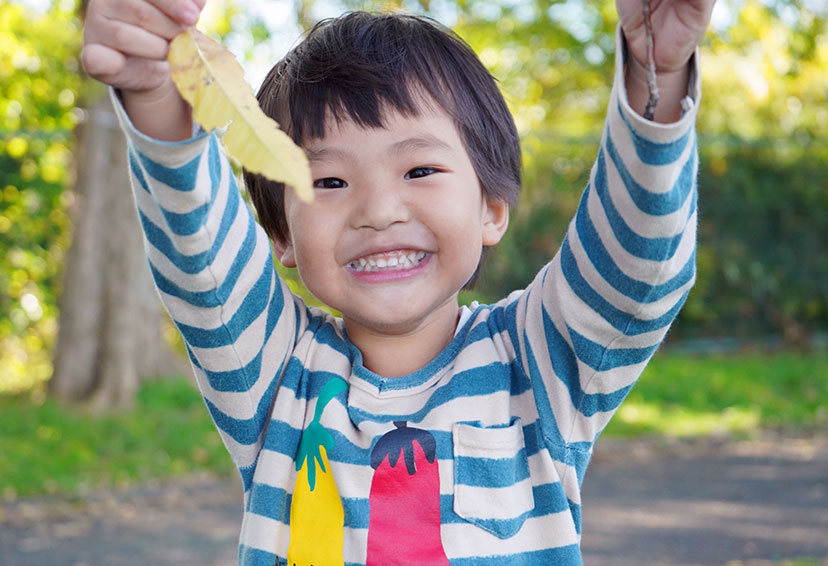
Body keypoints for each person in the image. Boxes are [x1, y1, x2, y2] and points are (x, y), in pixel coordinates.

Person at [81, 0, 713, 563]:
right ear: (282, 235)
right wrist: (156, 89)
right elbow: (201, 254)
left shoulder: (537, 361)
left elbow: (635, 269)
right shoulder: (276, 376)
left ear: (492, 207)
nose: (379, 211)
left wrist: (653, 75)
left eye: (419, 170)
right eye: (329, 181)